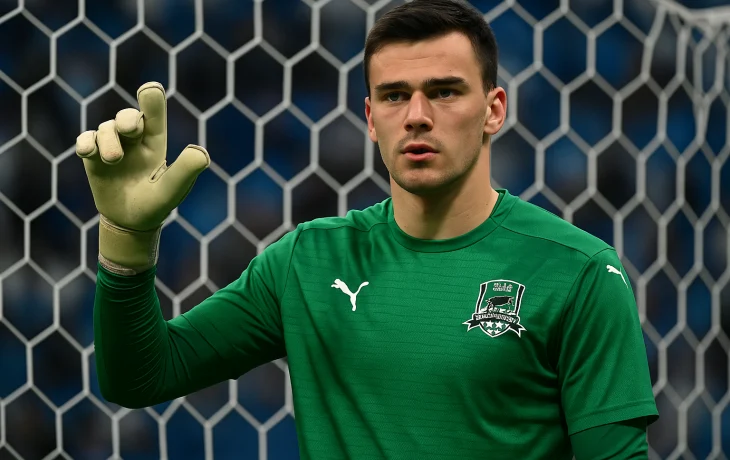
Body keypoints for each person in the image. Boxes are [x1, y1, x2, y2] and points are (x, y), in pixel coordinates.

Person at [75, 0, 658, 457]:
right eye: (395, 96)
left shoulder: (580, 273)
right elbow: (140, 377)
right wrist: (126, 240)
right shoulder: (307, 261)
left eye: (445, 92)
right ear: (371, 118)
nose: (418, 116)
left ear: (494, 109)